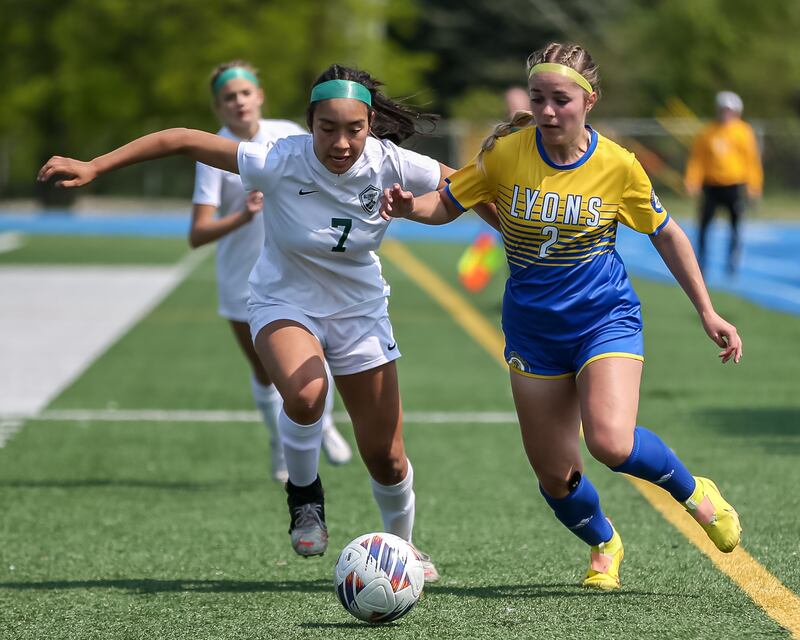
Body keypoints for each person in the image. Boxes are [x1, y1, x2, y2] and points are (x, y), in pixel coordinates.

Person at [37, 63, 492, 582]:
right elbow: (182, 139)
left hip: (361, 313)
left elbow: (466, 189)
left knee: (386, 459)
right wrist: (95, 166)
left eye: (354, 129)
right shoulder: (277, 158)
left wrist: (474, 227)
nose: (341, 143)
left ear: (370, 124)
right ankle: (305, 496)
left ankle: (405, 550)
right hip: (284, 303)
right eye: (328, 129)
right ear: (309, 123)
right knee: (305, 393)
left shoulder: (391, 162)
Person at [380, 42, 743, 590]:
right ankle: (604, 542)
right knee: (555, 477)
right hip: (533, 331)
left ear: (589, 100)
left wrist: (706, 310)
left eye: (561, 100)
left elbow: (666, 233)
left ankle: (696, 493)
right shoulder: (506, 154)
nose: (548, 111)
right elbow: (447, 204)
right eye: (539, 99)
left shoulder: (618, 165)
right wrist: (412, 207)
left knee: (611, 442)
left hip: (604, 319)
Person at [190, 60, 351, 482]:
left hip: (297, 272)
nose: (239, 102)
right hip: (242, 281)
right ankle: (280, 443)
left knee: (318, 358)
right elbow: (198, 233)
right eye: (229, 97)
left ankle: (323, 423)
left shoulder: (289, 136)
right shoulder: (214, 153)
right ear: (218, 107)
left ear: (259, 95)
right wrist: (241, 216)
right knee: (266, 372)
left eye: (245, 92)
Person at [684, 91, 763, 275]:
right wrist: (692, 180)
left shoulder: (743, 132)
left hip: (734, 186)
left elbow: (752, 161)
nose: (726, 113)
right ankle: (701, 262)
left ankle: (732, 261)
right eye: (723, 109)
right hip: (711, 186)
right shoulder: (707, 132)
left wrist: (754, 186)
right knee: (704, 226)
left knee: (735, 227)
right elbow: (698, 160)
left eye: (729, 110)